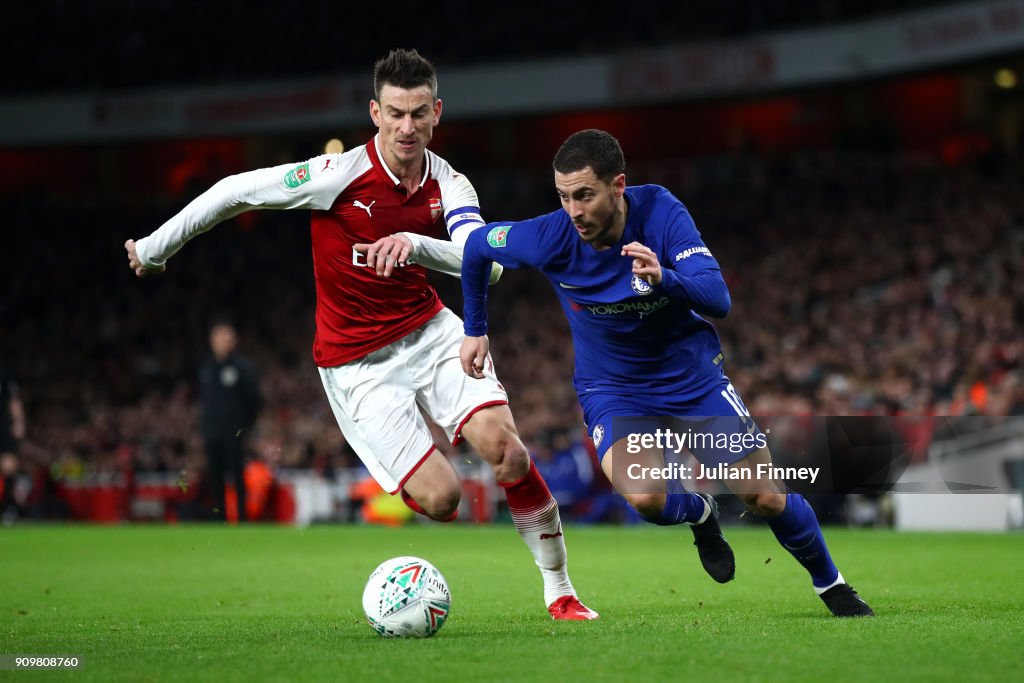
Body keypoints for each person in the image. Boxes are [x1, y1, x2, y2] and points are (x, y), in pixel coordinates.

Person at [124, 49, 596, 620]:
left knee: (509, 453)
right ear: (375, 112)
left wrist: (416, 244)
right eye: (395, 113)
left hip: (430, 333)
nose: (407, 127)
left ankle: (560, 591)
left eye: (419, 113)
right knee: (443, 498)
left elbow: (486, 262)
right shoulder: (337, 175)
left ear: (436, 112)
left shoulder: (450, 183)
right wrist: (155, 250)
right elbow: (233, 191)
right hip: (357, 366)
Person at [459, 129, 874, 618]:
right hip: (613, 388)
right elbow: (477, 248)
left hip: (691, 379)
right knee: (647, 498)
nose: (574, 211)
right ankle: (700, 512)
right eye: (564, 197)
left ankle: (831, 584)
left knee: (764, 495)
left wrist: (666, 278)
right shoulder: (550, 235)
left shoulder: (661, 212)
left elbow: (718, 299)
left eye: (585, 195)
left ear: (618, 186)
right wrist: (475, 328)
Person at [199, 321, 262, 522]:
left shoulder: (243, 367)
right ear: (212, 342)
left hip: (234, 431)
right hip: (212, 431)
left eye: (226, 338)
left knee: (237, 475)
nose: (222, 343)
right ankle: (220, 518)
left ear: (234, 341)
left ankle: (242, 518)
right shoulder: (206, 367)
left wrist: (245, 424)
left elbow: (255, 399)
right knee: (215, 476)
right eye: (218, 338)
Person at [0, 365, 26, 523]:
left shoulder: (4, 373)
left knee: (8, 466)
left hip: (2, 424)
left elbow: (14, 400)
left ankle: (8, 508)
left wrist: (19, 422)